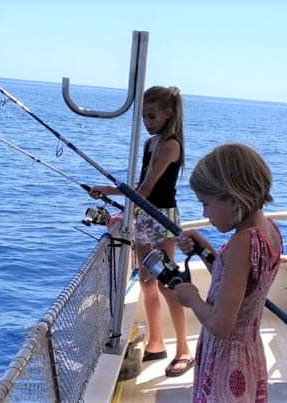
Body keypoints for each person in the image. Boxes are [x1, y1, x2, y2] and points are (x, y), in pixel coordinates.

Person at [89, 86, 193, 377]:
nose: (147, 122)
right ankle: (156, 342)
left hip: (161, 219)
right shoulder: (150, 143)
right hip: (143, 215)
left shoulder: (171, 144)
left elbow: (148, 188)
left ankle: (184, 348)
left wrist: (125, 214)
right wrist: (109, 190)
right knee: (147, 282)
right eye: (144, 116)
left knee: (167, 283)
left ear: (169, 113)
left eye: (152, 115)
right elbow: (140, 184)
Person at [174, 143, 282, 402]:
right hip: (248, 353)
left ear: (233, 199)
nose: (204, 214)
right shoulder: (269, 229)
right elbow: (238, 281)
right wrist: (203, 248)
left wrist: (192, 298)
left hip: (227, 357)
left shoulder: (241, 243)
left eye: (206, 204)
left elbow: (221, 325)